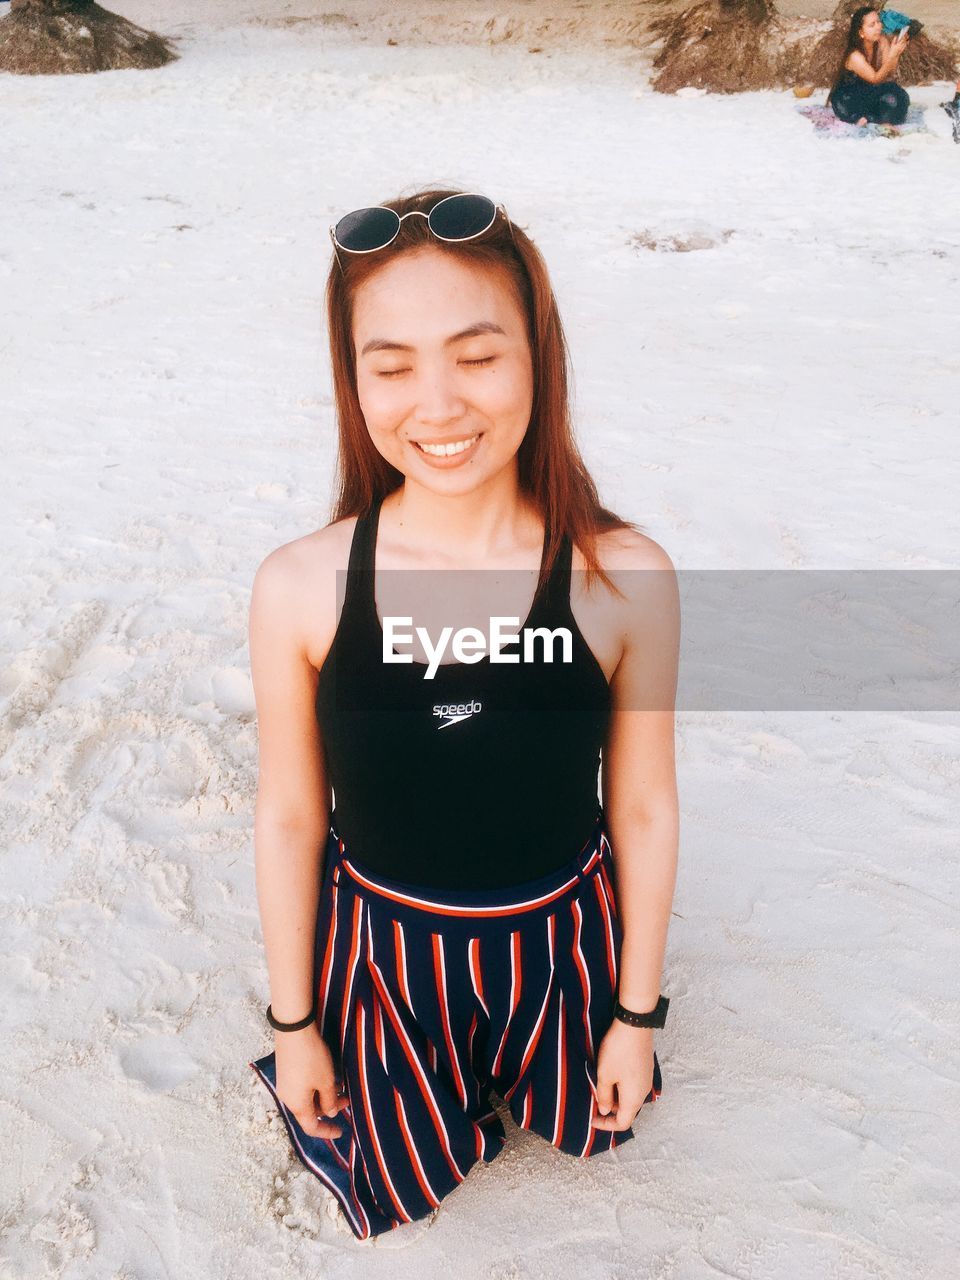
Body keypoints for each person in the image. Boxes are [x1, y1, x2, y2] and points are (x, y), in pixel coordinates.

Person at [244, 189, 680, 1241]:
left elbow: (647, 808)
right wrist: (297, 1026)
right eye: (391, 366)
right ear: (355, 381)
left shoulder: (622, 575)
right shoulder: (302, 584)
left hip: (561, 941)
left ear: (540, 357)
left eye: (478, 356)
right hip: (388, 951)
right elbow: (293, 816)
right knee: (397, 1165)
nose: (435, 405)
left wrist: (634, 1018)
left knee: (594, 1123)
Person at [827, 6, 911, 127]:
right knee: (889, 99)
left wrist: (896, 54)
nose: (878, 27)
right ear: (861, 32)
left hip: (870, 90)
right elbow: (875, 78)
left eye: (878, 22)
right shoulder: (854, 56)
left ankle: (870, 117)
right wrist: (892, 56)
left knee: (900, 96)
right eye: (872, 25)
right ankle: (869, 117)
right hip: (849, 98)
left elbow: (890, 72)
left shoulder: (881, 41)